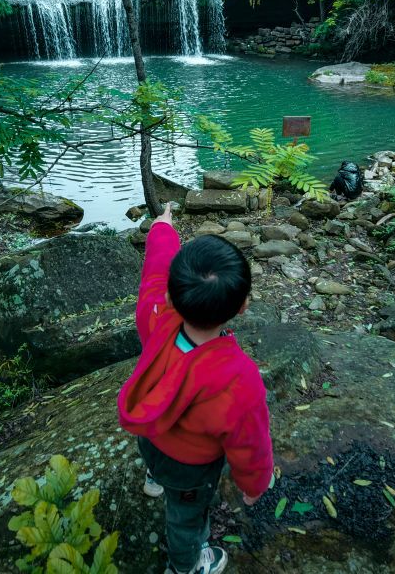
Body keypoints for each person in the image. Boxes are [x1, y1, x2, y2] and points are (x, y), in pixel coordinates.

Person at [117, 203, 274, 574]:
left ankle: (154, 479)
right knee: (186, 519)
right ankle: (185, 566)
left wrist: (162, 228)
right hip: (190, 468)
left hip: (151, 440)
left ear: (171, 297)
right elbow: (250, 442)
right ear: (243, 306)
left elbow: (156, 270)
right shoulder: (239, 381)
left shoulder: (156, 315)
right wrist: (255, 483)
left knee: (159, 468)